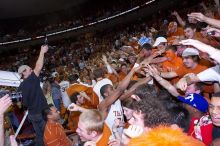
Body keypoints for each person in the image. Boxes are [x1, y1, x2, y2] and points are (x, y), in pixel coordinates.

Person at [18, 45, 49, 146]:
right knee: (48, 133)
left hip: (32, 115)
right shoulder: (31, 79)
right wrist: (42, 52)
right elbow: (39, 66)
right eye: (28, 69)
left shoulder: (20, 87)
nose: (31, 69)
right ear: (24, 73)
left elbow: (22, 104)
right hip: (41, 113)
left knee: (39, 135)